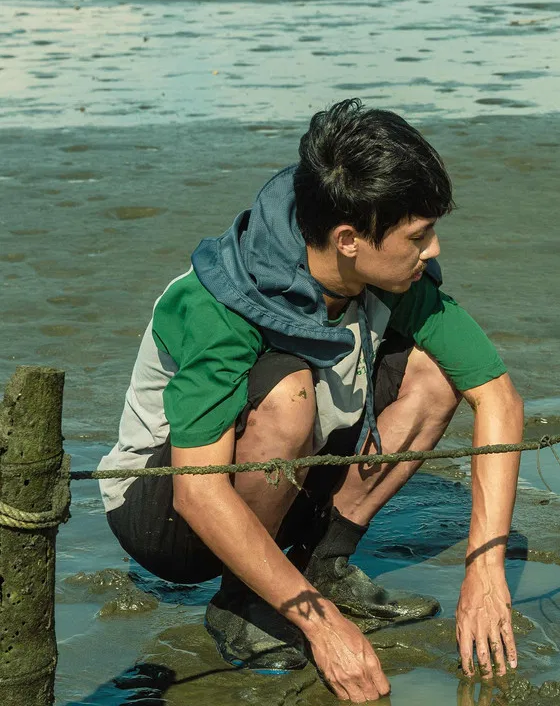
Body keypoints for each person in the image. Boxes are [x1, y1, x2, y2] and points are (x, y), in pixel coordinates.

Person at [96, 99, 523, 701]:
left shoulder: (393, 277)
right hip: (162, 509)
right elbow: (198, 491)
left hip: (282, 473)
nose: (433, 252)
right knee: (290, 390)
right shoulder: (217, 303)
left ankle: (323, 565)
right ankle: (244, 603)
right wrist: (325, 629)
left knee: (436, 374)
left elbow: (499, 397)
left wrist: (484, 567)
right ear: (348, 239)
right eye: (418, 237)